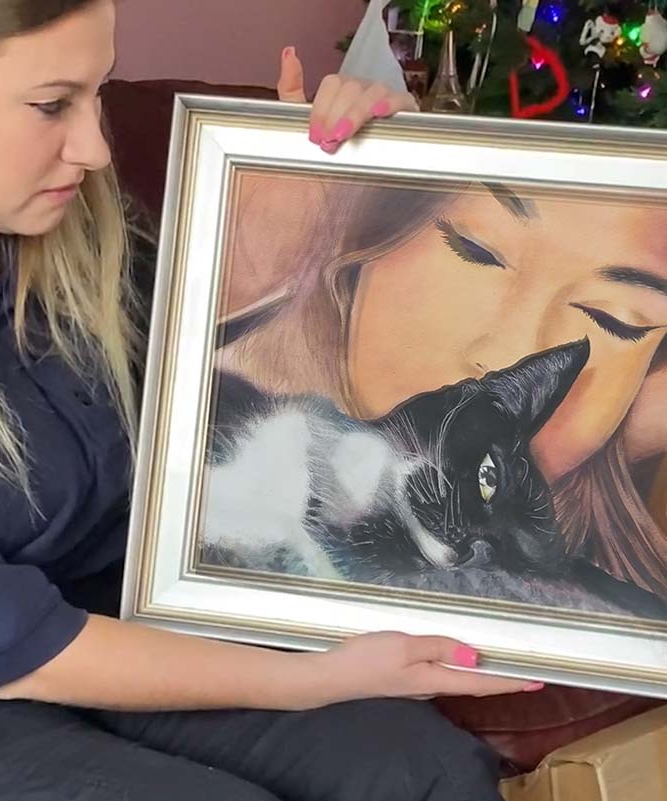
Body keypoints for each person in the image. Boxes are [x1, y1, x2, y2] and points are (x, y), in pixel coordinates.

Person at [0, 3, 535, 801]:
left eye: (97, 92)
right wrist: (318, 676)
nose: (94, 145)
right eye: (51, 104)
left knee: (422, 785)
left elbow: (231, 392)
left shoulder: (69, 232)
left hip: (105, 623)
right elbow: (28, 653)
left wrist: (307, 182)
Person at [217, 176, 667, 600]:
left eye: (615, 320)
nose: (506, 355)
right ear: (366, 242)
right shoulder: (190, 425)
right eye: (476, 251)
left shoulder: (621, 610)